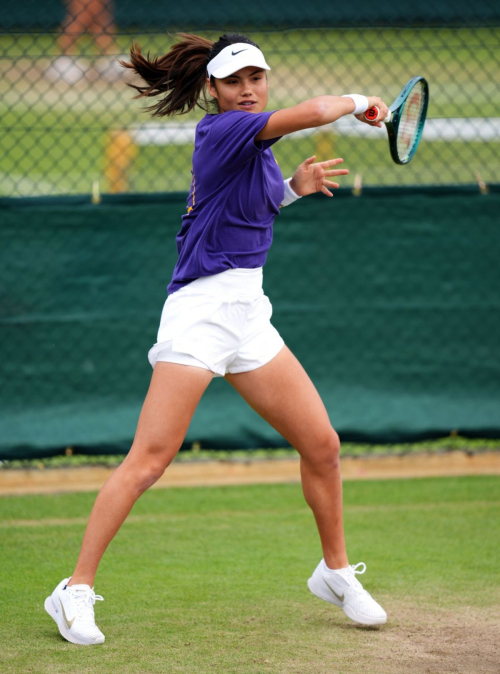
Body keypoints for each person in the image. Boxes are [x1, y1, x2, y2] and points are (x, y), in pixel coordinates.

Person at [44, 32, 389, 645]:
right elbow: (313, 112)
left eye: (256, 78)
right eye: (234, 81)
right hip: (201, 311)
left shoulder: (257, 147)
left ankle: (334, 571)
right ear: (213, 89)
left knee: (323, 445)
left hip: (249, 312)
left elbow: (243, 216)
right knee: (150, 460)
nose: (248, 90)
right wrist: (362, 100)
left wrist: (290, 191)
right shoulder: (225, 130)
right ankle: (73, 591)